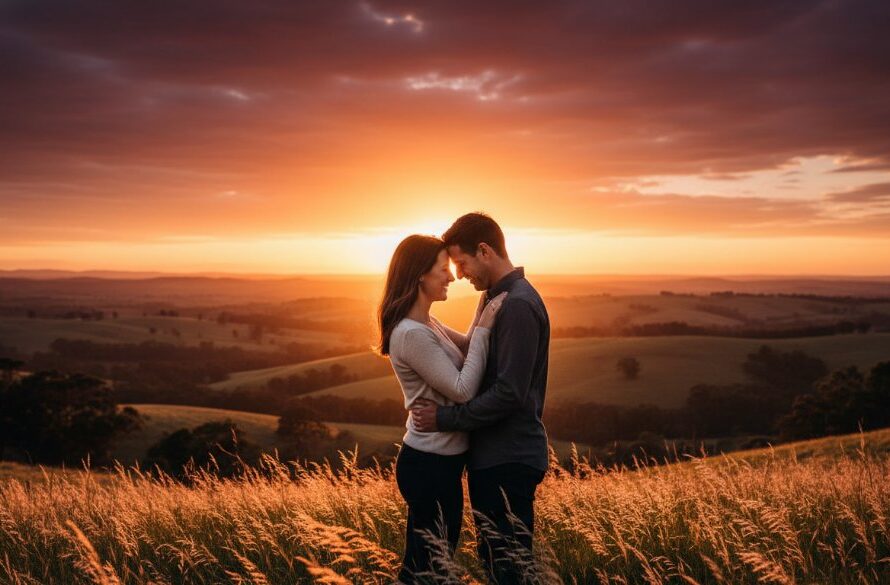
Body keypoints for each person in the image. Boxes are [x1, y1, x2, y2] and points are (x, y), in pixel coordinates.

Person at [411, 213, 550, 585]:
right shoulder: (496, 296)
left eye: (461, 263)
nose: (459, 274)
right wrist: (425, 323)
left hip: (509, 457)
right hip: (495, 457)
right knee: (497, 563)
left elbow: (509, 393)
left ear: (484, 251)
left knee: (509, 570)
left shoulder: (517, 304)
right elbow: (477, 347)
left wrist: (445, 419)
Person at [377, 234, 508, 584]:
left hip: (440, 465)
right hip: (429, 466)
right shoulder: (411, 334)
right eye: (443, 269)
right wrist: (486, 326)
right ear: (420, 274)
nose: (451, 276)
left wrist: (484, 307)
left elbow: (466, 349)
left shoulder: (426, 324)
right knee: (426, 570)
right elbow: (464, 389)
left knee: (430, 566)